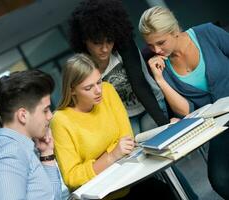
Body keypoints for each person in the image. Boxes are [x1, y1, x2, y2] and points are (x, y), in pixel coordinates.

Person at [51, 53, 177, 199]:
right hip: (103, 194)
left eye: (98, 82)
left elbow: (126, 140)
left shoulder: (108, 90)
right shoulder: (60, 121)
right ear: (72, 89)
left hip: (129, 178)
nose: (98, 91)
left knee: (165, 192)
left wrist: (100, 160)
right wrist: (111, 156)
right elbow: (71, 178)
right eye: (88, 88)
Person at [139, 6, 229, 199]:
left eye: (160, 42)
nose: (156, 50)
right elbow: (186, 110)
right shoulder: (164, 67)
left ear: (174, 31)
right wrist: (161, 79)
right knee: (219, 178)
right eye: (150, 46)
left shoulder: (207, 33)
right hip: (218, 128)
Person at [68, 0, 170, 135]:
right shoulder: (84, 65)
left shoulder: (124, 45)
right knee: (132, 148)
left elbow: (139, 85)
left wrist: (166, 127)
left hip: (152, 102)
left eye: (109, 41)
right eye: (97, 43)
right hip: (122, 116)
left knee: (151, 134)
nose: (105, 49)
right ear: (84, 40)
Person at [0, 70, 62, 200]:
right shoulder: (9, 156)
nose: (50, 116)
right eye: (45, 110)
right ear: (23, 115)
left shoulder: (20, 148)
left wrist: (47, 153)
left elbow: (51, 197)